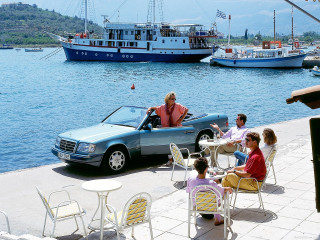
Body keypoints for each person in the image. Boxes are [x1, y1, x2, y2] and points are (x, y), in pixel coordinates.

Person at [186, 157, 232, 226]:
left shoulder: (190, 179)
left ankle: (211, 216)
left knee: (213, 193)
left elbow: (189, 191)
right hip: (212, 206)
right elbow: (221, 191)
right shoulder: (211, 183)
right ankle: (218, 219)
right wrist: (227, 188)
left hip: (198, 205)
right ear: (206, 169)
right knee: (219, 194)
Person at [147, 92, 188, 166]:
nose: (174, 100)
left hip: (176, 128)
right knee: (168, 145)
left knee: (175, 145)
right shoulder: (163, 107)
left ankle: (177, 160)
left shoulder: (178, 106)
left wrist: (180, 119)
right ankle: (171, 160)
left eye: (175, 99)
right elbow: (156, 108)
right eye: (172, 99)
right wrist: (150, 108)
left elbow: (186, 110)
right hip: (166, 129)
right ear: (168, 99)